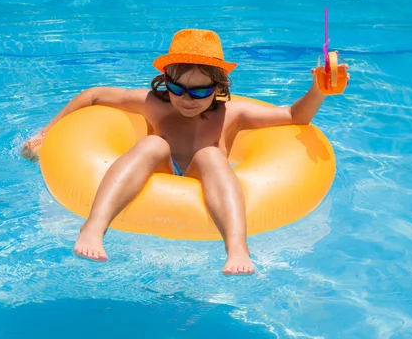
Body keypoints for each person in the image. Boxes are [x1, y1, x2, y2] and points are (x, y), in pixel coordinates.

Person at [22, 28, 347, 275]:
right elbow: (93, 96)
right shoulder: (155, 105)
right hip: (160, 170)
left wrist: (319, 89)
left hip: (206, 176)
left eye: (200, 91)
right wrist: (46, 133)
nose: (186, 99)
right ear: (165, 82)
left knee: (209, 155)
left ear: (219, 89)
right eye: (177, 88)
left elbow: (294, 117)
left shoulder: (233, 114)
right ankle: (93, 228)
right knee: (153, 143)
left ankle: (237, 247)